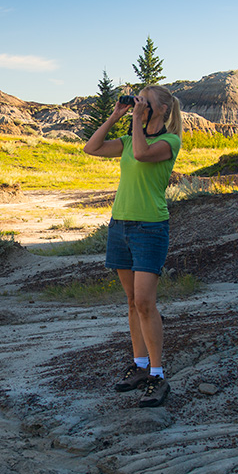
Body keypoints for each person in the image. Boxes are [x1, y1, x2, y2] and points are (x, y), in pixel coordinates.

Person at [83, 84, 183, 407]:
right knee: (130, 301)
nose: (140, 106)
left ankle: (158, 375)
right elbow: (91, 148)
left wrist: (137, 122)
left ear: (163, 110)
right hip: (120, 226)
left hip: (150, 228)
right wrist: (117, 115)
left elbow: (141, 154)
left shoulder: (169, 141)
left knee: (145, 302)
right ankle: (140, 366)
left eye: (146, 103)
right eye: (139, 102)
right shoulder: (128, 139)